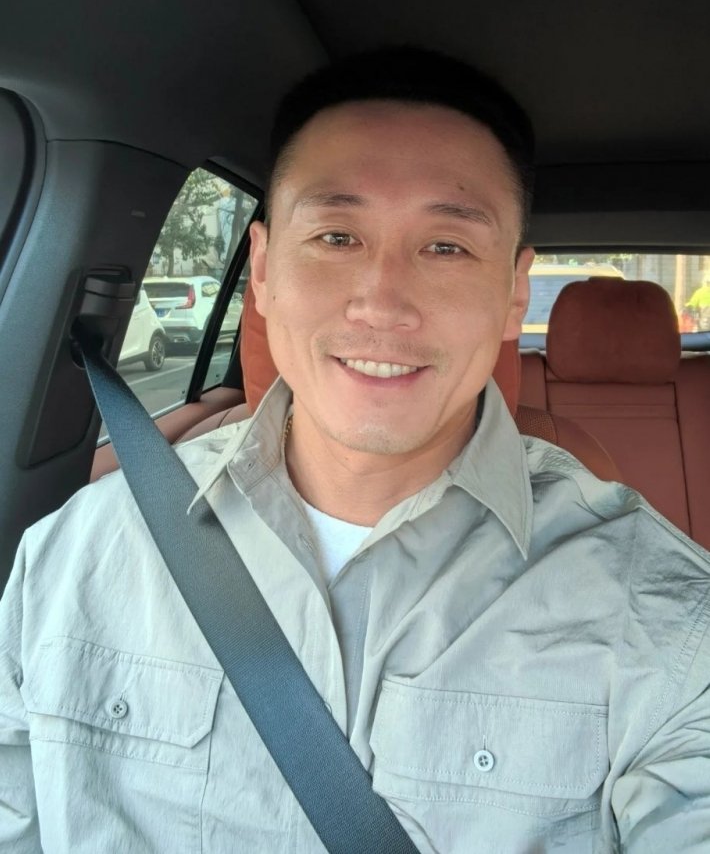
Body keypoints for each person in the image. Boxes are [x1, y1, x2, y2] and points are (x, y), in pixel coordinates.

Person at [1, 47, 710, 854]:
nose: (382, 303)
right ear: (263, 269)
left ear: (515, 292)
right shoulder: (74, 556)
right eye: (337, 236)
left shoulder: (663, 619)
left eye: (446, 247)